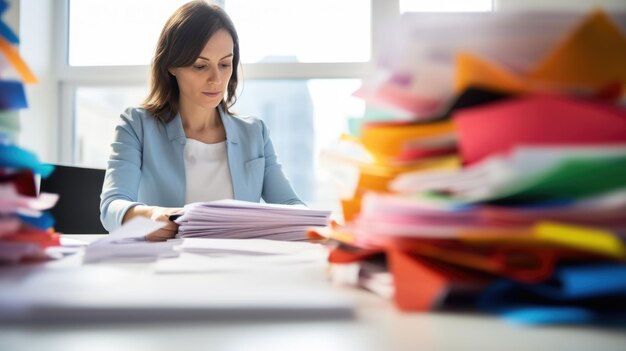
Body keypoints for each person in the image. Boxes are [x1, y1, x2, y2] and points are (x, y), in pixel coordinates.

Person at [100, 0, 304, 241]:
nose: (216, 79)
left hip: (240, 269)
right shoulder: (137, 125)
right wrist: (150, 215)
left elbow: (290, 204)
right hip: (165, 270)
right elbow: (112, 205)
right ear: (172, 65)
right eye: (200, 65)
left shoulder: (255, 132)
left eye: (225, 64)